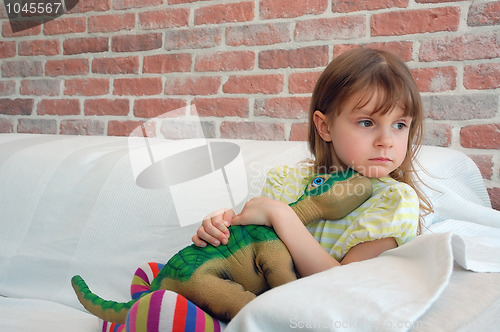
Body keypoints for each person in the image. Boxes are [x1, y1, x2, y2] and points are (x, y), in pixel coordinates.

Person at [107, 48, 433, 332]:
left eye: (400, 125)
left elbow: (341, 286)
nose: (386, 140)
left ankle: (155, 316)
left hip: (308, 315)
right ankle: (147, 306)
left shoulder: (393, 201)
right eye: (367, 122)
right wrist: (220, 227)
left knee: (199, 312)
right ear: (325, 126)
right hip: (256, 290)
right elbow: (255, 244)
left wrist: (281, 215)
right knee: (182, 277)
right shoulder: (290, 181)